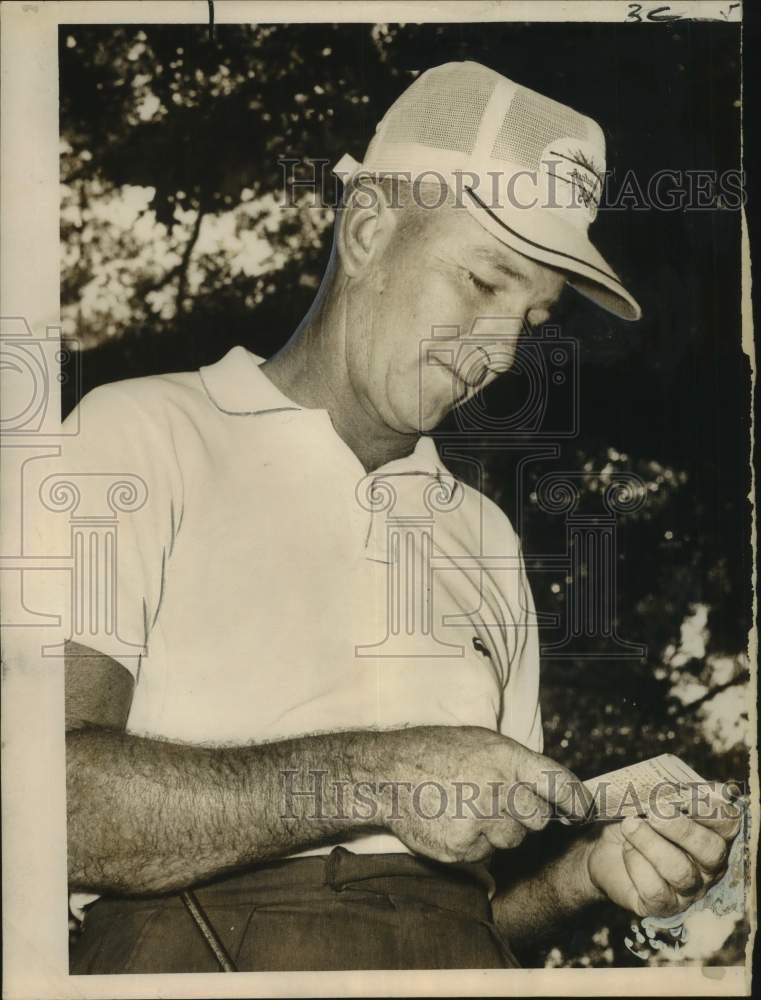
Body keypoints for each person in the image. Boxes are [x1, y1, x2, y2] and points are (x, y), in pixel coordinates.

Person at [60, 62, 739, 973]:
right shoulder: (137, 431)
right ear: (370, 226)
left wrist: (584, 876)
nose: (502, 349)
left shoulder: (485, 538)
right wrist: (381, 773)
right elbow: (46, 799)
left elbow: (472, 921)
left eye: (534, 316)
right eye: (482, 281)